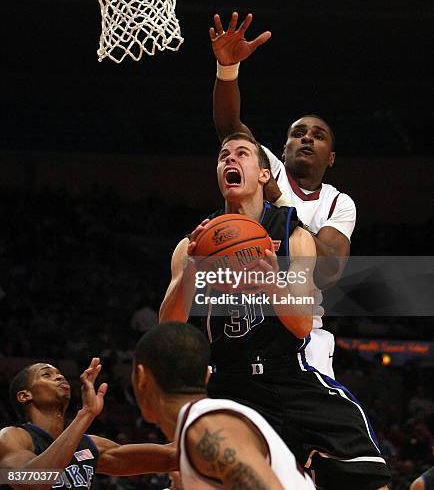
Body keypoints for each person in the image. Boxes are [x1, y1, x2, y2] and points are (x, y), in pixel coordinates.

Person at [160, 133, 390, 490]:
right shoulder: (194, 243)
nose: (229, 160)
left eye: (241, 154)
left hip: (289, 376)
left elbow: (300, 326)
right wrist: (191, 270)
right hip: (229, 383)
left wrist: (271, 283)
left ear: (264, 175)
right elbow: (168, 332)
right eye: (223, 156)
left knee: (369, 473)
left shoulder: (293, 235)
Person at [210, 10, 357, 378]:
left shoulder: (338, 202)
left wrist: (280, 200)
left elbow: (328, 270)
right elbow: (230, 128)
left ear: (331, 157)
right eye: (298, 132)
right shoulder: (264, 167)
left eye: (318, 135)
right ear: (283, 146)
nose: (306, 137)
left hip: (302, 332)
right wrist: (227, 70)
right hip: (242, 320)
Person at [132, 321, 316, 489]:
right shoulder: (199, 428)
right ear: (207, 376)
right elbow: (112, 457)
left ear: (141, 378)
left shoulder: (209, 427)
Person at [0, 358, 176, 489]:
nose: (60, 377)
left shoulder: (88, 445)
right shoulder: (11, 437)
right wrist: (86, 413)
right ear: (25, 395)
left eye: (60, 374)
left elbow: (170, 458)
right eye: (47, 374)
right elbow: (32, 482)